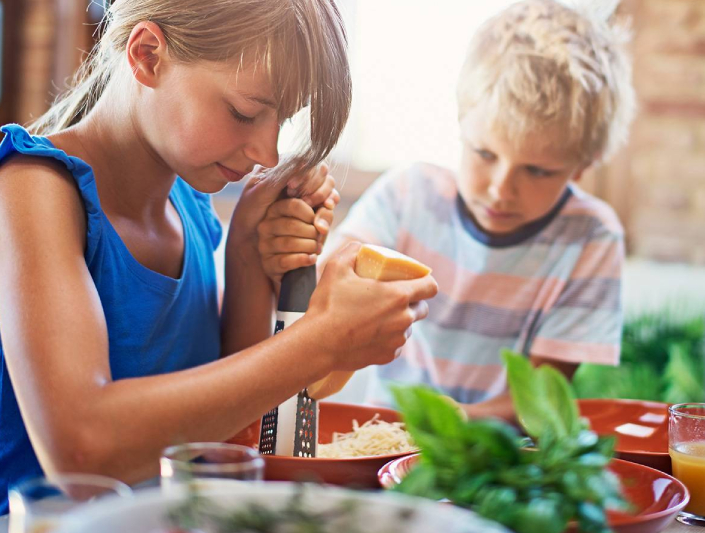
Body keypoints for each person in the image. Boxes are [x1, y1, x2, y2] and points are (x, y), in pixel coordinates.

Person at [0, 0, 437, 513]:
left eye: (282, 121)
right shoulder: (31, 190)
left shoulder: (191, 209)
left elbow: (230, 435)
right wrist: (323, 341)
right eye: (245, 113)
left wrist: (249, 257)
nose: (268, 154)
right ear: (146, 55)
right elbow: (83, 451)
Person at [275, 0, 634, 421]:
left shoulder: (592, 238)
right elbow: (330, 289)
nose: (501, 189)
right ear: (462, 123)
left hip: (494, 456)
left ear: (584, 166)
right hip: (379, 440)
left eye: (536, 171)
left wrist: (454, 422)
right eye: (484, 153)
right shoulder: (408, 195)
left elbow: (539, 399)